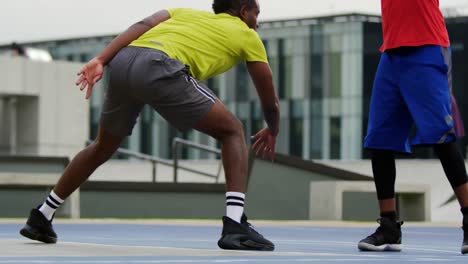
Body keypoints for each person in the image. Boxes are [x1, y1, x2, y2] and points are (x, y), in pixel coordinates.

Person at [19, 0, 279, 251]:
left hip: (124, 61)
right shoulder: (248, 35)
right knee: (232, 130)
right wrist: (273, 128)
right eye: (256, 15)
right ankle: (235, 224)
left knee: (102, 146)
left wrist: (101, 59)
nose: (256, 24)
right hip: (159, 65)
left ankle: (42, 215)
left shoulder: (182, 12)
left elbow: (143, 24)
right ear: (245, 11)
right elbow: (268, 97)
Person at [358, 0, 468, 254]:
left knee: (441, 136)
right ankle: (389, 227)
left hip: (428, 47)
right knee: (379, 140)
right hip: (392, 54)